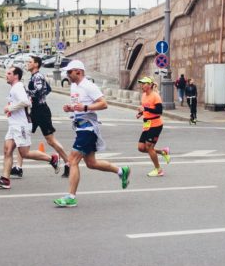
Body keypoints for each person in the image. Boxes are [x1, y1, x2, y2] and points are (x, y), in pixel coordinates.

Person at [53, 60, 131, 207]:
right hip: (80, 127)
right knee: (91, 163)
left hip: (88, 129)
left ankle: (71, 197)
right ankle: (121, 171)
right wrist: (71, 108)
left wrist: (85, 107)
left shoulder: (89, 86)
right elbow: (80, 106)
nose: (67, 75)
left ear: (78, 71)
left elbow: (103, 103)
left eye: (69, 72)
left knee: (72, 160)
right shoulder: (74, 86)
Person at [0, 67, 62, 189]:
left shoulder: (18, 87)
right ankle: (5, 179)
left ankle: (52, 159)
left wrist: (10, 108)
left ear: (16, 76)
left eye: (9, 73)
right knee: (7, 151)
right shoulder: (14, 88)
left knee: (25, 153)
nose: (6, 75)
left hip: (21, 125)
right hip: (13, 125)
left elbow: (26, 102)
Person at [12, 55, 70, 179]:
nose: (28, 63)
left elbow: (39, 91)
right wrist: (36, 96)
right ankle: (18, 167)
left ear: (36, 64)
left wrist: (26, 92)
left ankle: (68, 162)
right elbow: (47, 89)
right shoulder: (34, 76)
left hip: (41, 111)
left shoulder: (37, 76)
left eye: (30, 62)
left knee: (50, 140)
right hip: (35, 111)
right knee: (21, 138)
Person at [136, 76, 171, 176]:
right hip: (147, 124)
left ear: (150, 85)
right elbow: (146, 108)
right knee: (141, 148)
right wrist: (141, 114)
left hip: (156, 124)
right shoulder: (143, 95)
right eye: (141, 83)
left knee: (149, 147)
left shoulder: (155, 96)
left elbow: (159, 111)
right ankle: (163, 152)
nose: (142, 85)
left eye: (144, 83)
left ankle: (158, 170)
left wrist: (145, 110)